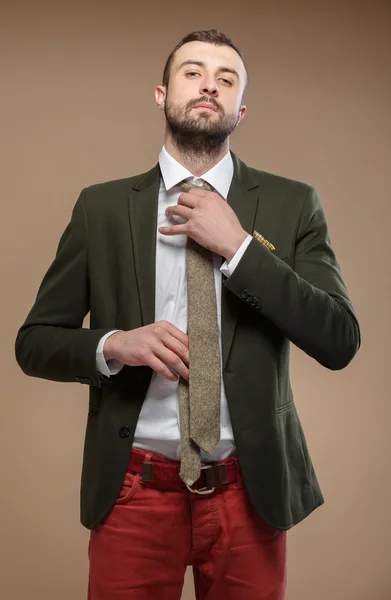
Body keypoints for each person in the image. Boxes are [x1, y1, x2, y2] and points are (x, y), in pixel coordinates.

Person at [15, 29, 360, 600]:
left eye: (226, 79)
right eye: (193, 72)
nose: (209, 85)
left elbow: (339, 339)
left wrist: (240, 250)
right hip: (133, 490)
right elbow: (33, 343)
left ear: (240, 109)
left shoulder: (292, 204)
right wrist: (113, 345)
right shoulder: (100, 207)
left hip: (249, 493)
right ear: (161, 93)